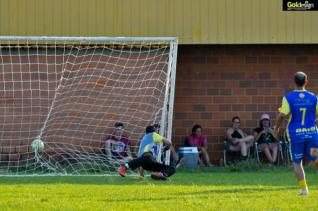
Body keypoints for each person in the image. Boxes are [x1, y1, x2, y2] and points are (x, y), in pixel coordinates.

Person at [274, 72, 318, 196]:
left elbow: (282, 115)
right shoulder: (314, 97)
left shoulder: (288, 98)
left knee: (297, 162)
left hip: (296, 135)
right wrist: (313, 121)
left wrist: (276, 129)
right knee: (315, 159)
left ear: (294, 82)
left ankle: (304, 189)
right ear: (306, 82)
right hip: (312, 134)